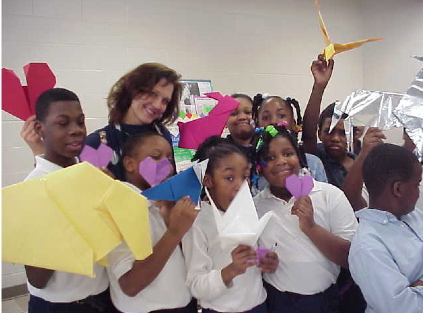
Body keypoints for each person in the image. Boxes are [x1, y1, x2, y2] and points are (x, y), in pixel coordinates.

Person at [24, 88, 115, 313]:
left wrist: (113, 197)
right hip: (59, 306)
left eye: (80, 122)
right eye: (63, 123)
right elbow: (37, 277)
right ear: (40, 128)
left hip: (103, 296)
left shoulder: (93, 177)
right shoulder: (32, 190)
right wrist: (76, 207)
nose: (76, 131)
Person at [253, 125, 358, 313]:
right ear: (259, 168)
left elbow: (351, 258)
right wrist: (261, 258)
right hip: (277, 300)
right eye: (270, 158)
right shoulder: (255, 206)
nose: (281, 161)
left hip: (325, 300)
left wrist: (310, 226)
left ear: (300, 157)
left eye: (288, 153)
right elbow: (250, 249)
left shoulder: (329, 195)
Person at [21, 63, 183, 181]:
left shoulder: (163, 135)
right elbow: (66, 186)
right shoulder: (99, 143)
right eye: (152, 94)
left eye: (165, 101)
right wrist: (40, 153)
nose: (157, 105)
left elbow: (168, 182)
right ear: (133, 90)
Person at [183, 137, 278, 313]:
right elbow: (195, 285)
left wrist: (265, 260)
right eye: (229, 177)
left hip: (258, 305)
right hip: (219, 309)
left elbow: (253, 258)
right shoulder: (197, 222)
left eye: (245, 177)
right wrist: (231, 270)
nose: (240, 185)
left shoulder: (248, 210)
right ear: (208, 181)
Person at [107, 132, 198, 313]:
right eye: (156, 157)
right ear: (130, 164)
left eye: (169, 158)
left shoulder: (160, 203)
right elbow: (130, 285)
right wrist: (174, 233)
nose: (168, 166)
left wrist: (169, 219)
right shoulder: (121, 207)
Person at [348, 143, 423, 313]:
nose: (418, 191)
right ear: (398, 189)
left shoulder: (414, 215)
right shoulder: (368, 246)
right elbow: (404, 307)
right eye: (417, 184)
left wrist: (417, 286)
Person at [252, 93, 328, 185]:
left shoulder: (313, 164)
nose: (273, 121)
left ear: (293, 123)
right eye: (266, 117)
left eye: (281, 116)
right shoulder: (252, 168)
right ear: (257, 125)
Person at [225, 93, 255, 160]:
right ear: (224, 121)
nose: (242, 117)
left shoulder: (268, 146)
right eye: (233, 113)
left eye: (248, 112)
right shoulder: (219, 153)